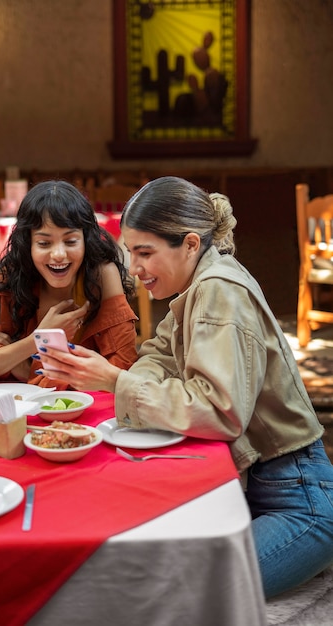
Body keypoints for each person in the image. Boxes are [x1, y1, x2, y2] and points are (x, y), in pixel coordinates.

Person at [33, 175, 333, 599]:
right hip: (258, 482)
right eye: (129, 254)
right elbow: (158, 354)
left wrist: (114, 380)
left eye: (144, 253)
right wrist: (123, 380)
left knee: (178, 595)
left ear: (190, 244)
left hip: (300, 501)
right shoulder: (199, 281)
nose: (134, 270)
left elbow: (220, 413)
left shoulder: (218, 290)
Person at [0, 180, 138, 388]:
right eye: (44, 243)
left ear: (86, 241)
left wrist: (23, 369)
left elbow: (121, 371)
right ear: (27, 244)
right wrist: (36, 340)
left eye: (71, 241)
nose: (58, 254)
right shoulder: (6, 281)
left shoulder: (101, 276)